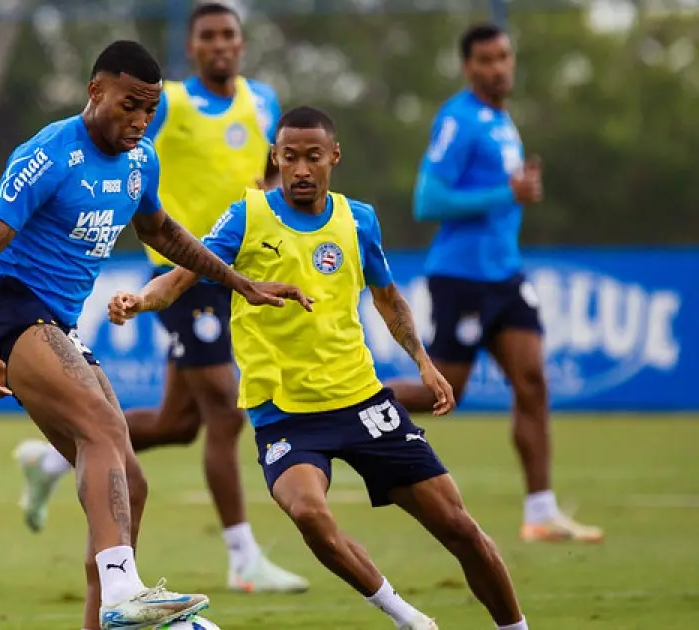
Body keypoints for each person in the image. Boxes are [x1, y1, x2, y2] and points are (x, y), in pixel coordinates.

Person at [108, 106, 531, 630]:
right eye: (290, 157)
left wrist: (424, 362)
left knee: (458, 527)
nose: (301, 169)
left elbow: (388, 297)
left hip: (362, 401)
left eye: (312, 157)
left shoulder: (358, 220)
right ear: (275, 158)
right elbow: (177, 278)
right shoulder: (246, 217)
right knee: (308, 513)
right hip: (284, 414)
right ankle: (407, 618)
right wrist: (138, 301)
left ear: (334, 156)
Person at [0, 39, 304, 630]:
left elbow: (163, 232)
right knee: (101, 425)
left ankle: (110, 609)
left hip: (57, 322)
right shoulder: (49, 154)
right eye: (128, 106)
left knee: (132, 484)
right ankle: (125, 592)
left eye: (148, 109)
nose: (140, 120)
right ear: (96, 91)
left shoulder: (141, 161)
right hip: (11, 309)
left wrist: (238, 281)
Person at [385, 23, 603, 543]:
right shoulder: (458, 120)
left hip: (506, 275)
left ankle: (541, 512)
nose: (498, 67)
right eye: (486, 59)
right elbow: (428, 201)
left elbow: (504, 195)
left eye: (504, 57)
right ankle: (351, 400)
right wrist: (505, 192)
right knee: (445, 391)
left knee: (532, 383)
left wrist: (514, 192)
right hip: (462, 278)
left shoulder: (502, 121)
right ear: (468, 67)